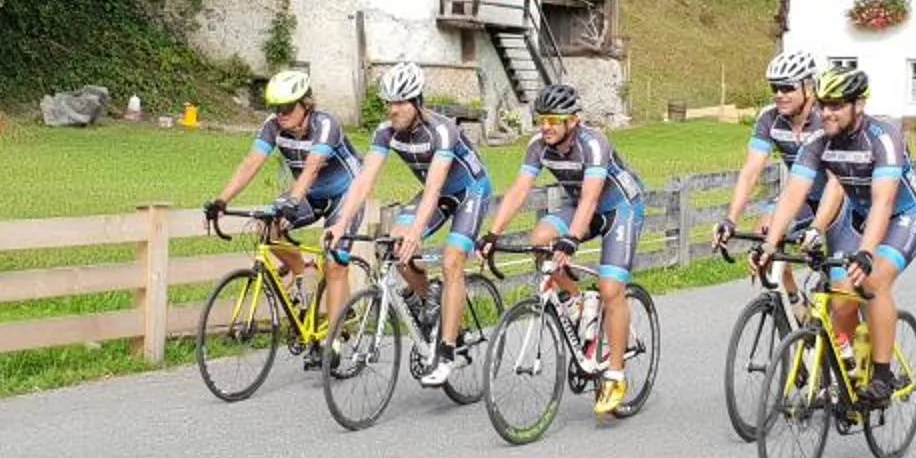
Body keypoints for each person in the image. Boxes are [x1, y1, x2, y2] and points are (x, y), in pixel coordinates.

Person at [753, 67, 916, 409]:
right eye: (823, 105)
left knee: (873, 280)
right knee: (840, 296)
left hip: (907, 214)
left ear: (858, 105)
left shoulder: (883, 137)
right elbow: (793, 195)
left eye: (836, 106)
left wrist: (866, 253)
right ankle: (845, 375)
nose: (827, 113)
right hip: (862, 217)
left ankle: (882, 375)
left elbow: (884, 201)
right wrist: (770, 243)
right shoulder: (819, 141)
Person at [479, 83, 649, 420]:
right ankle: (575, 299)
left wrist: (571, 240)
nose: (546, 127)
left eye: (554, 120)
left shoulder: (594, 144)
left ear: (573, 121)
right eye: (541, 120)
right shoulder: (538, 146)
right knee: (541, 237)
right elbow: (518, 190)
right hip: (581, 206)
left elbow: (590, 199)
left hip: (620, 209)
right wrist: (492, 233)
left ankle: (615, 374)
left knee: (611, 288)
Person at [328, 62, 491, 387]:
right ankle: (430, 298)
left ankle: (447, 351)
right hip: (438, 192)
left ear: (417, 102)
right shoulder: (384, 133)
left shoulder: (442, 130)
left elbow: (433, 188)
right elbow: (363, 181)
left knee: (452, 260)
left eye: (400, 102)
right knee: (396, 245)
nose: (393, 110)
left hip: (470, 190)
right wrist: (341, 223)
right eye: (389, 102)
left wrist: (417, 233)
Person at [204, 68, 358, 345]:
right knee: (267, 225)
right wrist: (221, 200)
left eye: (287, 107)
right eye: (276, 107)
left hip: (345, 194)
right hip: (310, 193)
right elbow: (251, 162)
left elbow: (312, 169)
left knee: (335, 263)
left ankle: (333, 342)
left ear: (305, 105)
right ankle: (303, 273)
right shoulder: (273, 126)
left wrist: (291, 202)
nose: (281, 113)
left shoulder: (326, 125)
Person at [712, 50, 835, 276]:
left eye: (787, 88)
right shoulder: (769, 118)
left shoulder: (826, 119)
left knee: (842, 280)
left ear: (809, 88)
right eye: (774, 88)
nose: (779, 94)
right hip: (800, 196)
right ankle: (791, 303)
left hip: (837, 198)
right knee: (763, 238)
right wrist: (731, 219)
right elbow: (751, 172)